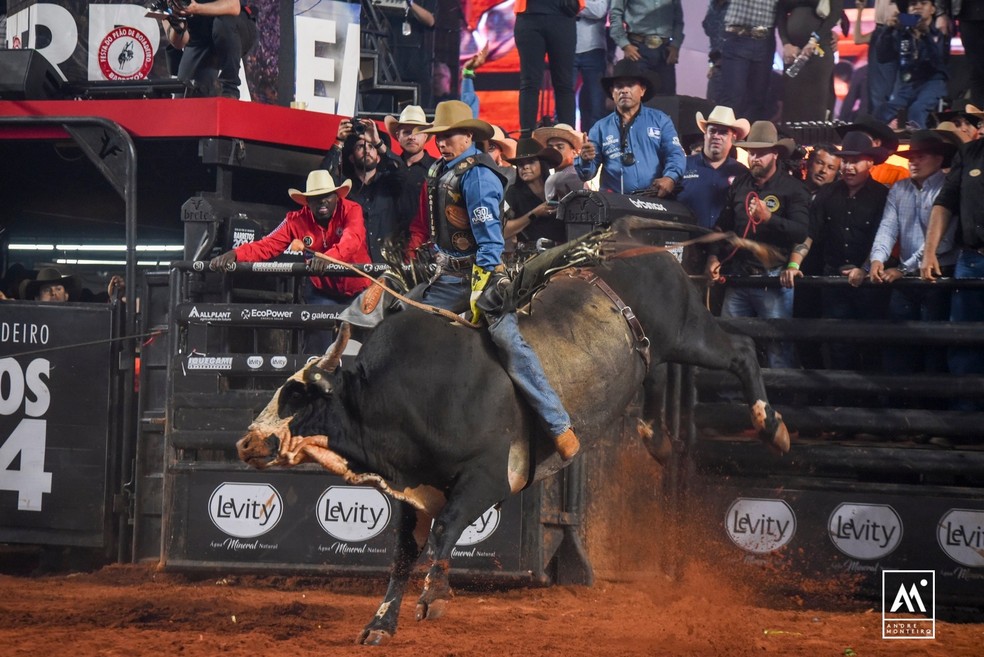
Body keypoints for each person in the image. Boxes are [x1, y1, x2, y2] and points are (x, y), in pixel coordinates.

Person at [408, 100, 580, 459]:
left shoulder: (479, 175)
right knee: (403, 320)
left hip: (482, 275)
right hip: (445, 273)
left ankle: (558, 424)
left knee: (507, 340)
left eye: (449, 135)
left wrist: (480, 286)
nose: (441, 142)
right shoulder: (441, 170)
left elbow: (490, 239)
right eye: (438, 136)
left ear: (467, 135)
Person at [209, 170, 372, 353]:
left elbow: (353, 239)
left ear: (336, 197)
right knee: (317, 337)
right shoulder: (295, 220)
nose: (322, 201)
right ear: (307, 202)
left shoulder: (352, 210)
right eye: (315, 197)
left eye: (327, 195)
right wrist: (236, 254)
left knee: (368, 341)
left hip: (358, 289)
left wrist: (327, 258)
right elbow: (267, 244)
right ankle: (314, 379)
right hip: (322, 290)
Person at [705, 121, 810, 369]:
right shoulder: (740, 185)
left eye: (761, 153)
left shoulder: (793, 189)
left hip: (773, 279)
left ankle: (780, 397)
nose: (754, 158)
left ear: (776, 153)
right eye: (751, 152)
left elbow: (801, 231)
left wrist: (770, 219)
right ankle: (732, 400)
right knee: (730, 341)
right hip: (740, 277)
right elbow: (722, 227)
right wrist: (713, 257)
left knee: (778, 346)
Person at [781, 131, 891, 370]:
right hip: (833, 283)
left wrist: (864, 268)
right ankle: (841, 402)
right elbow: (809, 234)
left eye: (855, 161)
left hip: (870, 284)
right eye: (846, 161)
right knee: (837, 346)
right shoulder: (827, 193)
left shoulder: (883, 195)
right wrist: (793, 263)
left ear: (870, 163)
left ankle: (866, 404)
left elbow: (886, 237)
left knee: (871, 345)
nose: (848, 167)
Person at [870, 130, 957, 374]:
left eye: (921, 156)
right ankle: (902, 403)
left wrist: (901, 268)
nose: (913, 161)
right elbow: (887, 227)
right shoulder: (899, 189)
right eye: (911, 157)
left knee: (933, 346)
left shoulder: (948, 188)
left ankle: (929, 406)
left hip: (939, 275)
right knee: (900, 344)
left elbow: (944, 240)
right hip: (907, 276)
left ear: (939, 159)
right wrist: (878, 258)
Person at [921, 128, 984, 410]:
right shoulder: (969, 153)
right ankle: (965, 419)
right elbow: (944, 202)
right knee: (963, 341)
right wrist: (929, 252)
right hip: (972, 258)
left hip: (970, 261)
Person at [575, 59, 686, 195]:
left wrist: (670, 177)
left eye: (630, 85)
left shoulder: (661, 120)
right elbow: (587, 175)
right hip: (616, 204)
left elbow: (675, 154)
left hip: (654, 200)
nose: (624, 90)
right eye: (619, 86)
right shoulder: (600, 128)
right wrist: (585, 160)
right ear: (612, 92)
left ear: (642, 90)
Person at [322, 118, 411, 263]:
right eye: (360, 147)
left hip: (388, 264)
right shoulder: (345, 187)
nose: (366, 150)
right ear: (351, 158)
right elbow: (323, 178)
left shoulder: (390, 183)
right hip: (355, 266)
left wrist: (378, 142)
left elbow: (403, 172)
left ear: (378, 158)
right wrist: (339, 141)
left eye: (371, 147)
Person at [159, 0, 257, 99]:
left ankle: (230, 89)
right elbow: (180, 43)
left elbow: (233, 7)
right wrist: (178, 24)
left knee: (223, 25)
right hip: (199, 37)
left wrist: (197, 8)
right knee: (184, 97)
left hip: (232, 25)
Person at [873, 0, 947, 129]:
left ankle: (920, 145)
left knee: (916, 110)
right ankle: (882, 143)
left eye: (923, 3)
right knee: (882, 111)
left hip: (933, 82)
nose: (917, 7)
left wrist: (926, 35)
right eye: (912, 4)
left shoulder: (939, 32)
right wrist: (888, 30)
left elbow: (937, 63)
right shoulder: (903, 34)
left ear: (932, 10)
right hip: (909, 85)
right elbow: (883, 57)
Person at [677, 106, 750, 230]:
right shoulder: (681, 165)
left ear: (733, 138)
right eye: (713, 131)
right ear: (705, 134)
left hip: (725, 246)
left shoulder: (742, 173)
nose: (716, 136)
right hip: (687, 242)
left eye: (723, 132)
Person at [514, 0, 580, 136]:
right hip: (529, 17)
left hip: (563, 16)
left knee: (564, 83)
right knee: (529, 83)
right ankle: (526, 140)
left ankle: (568, 139)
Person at [777, 0, 844, 122]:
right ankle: (790, 138)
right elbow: (780, 12)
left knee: (817, 100)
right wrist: (786, 43)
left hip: (819, 49)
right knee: (792, 99)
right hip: (793, 52)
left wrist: (814, 40)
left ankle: (816, 138)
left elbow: (835, 13)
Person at [717, 0, 782, 122]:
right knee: (733, 97)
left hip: (765, 41)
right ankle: (724, 137)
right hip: (737, 36)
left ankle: (748, 139)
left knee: (758, 99)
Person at [609, 0, 684, 96]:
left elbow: (678, 20)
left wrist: (675, 45)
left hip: (665, 52)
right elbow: (615, 14)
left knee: (667, 100)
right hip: (637, 50)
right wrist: (625, 45)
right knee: (636, 98)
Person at [503, 138, 565, 251]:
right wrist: (534, 213)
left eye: (531, 161)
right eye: (520, 164)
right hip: (530, 256)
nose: (525, 167)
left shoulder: (558, 188)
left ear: (542, 164)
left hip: (562, 252)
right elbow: (503, 231)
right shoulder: (513, 193)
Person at [385, 105, 436, 232]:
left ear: (425, 136)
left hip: (425, 245)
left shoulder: (438, 169)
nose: (412, 137)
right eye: (407, 132)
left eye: (417, 132)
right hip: (388, 244)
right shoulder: (386, 168)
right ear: (398, 136)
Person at [852, 0, 900, 120]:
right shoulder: (877, 34)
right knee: (875, 96)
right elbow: (857, 39)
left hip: (894, 31)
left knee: (887, 94)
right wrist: (860, 10)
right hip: (880, 32)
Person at [836, 115, 909, 185]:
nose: (856, 140)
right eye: (853, 136)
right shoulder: (835, 170)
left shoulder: (897, 174)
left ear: (877, 143)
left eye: (863, 138)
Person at [937, 0, 984, 108]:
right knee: (976, 69)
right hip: (969, 14)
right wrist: (941, 13)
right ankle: (980, 119)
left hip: (969, 15)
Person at [574, 0, 612, 133]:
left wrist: (573, 5)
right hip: (566, 47)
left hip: (594, 47)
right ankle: (566, 143)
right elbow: (559, 7)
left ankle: (595, 145)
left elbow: (599, 11)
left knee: (596, 104)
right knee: (563, 104)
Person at [533, 122, 587, 201]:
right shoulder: (580, 175)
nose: (554, 151)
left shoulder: (570, 178)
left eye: (560, 147)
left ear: (574, 152)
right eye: (550, 147)